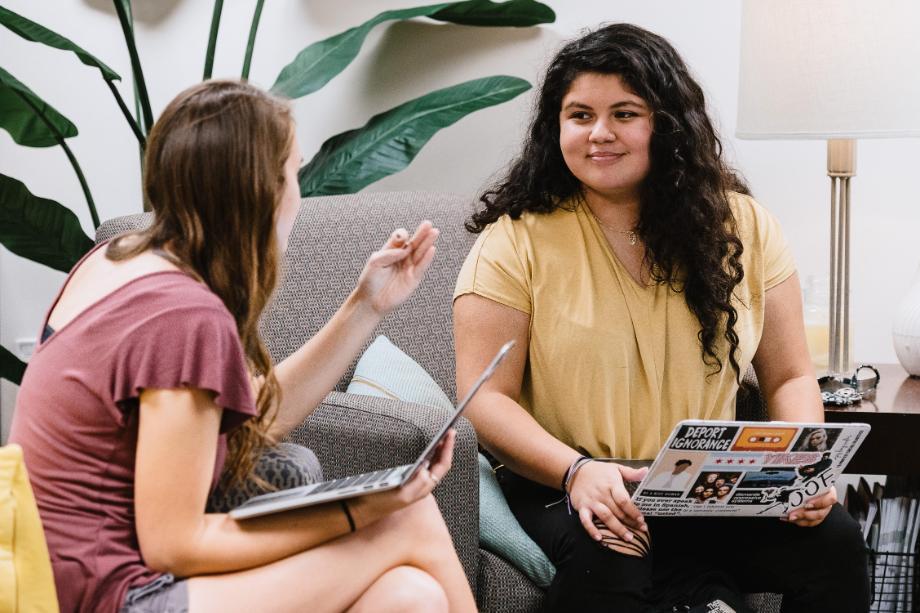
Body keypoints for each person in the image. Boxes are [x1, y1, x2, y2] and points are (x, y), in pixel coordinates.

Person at [10, 80, 477, 613]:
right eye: (293, 172)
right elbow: (174, 544)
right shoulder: (183, 316)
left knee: (408, 598)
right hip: (110, 596)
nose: (299, 191)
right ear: (261, 190)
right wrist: (363, 511)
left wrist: (366, 305)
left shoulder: (121, 260)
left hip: (65, 578)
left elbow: (249, 423)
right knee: (407, 519)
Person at [453, 23, 868, 613]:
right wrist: (577, 473)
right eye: (579, 115)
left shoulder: (745, 226)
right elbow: (485, 397)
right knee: (613, 551)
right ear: (556, 128)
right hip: (566, 481)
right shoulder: (513, 241)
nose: (600, 133)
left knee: (835, 543)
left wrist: (804, 469)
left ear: (667, 125)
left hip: (709, 484)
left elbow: (790, 375)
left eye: (625, 113)